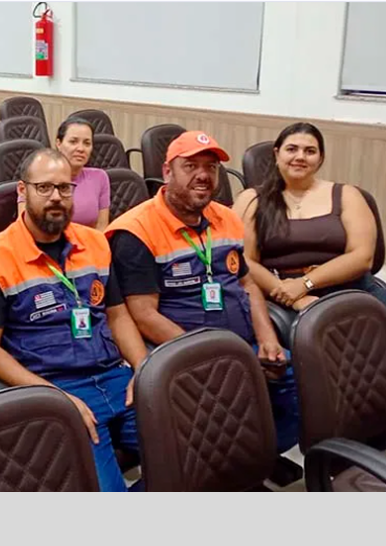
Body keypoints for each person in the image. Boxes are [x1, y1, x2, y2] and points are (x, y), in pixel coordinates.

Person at [0, 149, 148, 492]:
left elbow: (118, 315)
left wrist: (143, 369)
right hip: (59, 388)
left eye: (65, 188)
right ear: (23, 191)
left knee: (194, 459)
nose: (56, 198)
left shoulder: (95, 243)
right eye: (44, 188)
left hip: (117, 379)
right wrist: (52, 398)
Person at [105, 130, 300, 454]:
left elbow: (247, 283)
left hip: (244, 346)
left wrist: (268, 338)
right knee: (201, 432)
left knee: (303, 386)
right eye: (191, 166)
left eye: (210, 167)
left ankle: (248, 458)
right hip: (186, 352)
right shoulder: (136, 231)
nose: (203, 176)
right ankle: (223, 463)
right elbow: (142, 314)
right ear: (167, 172)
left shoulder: (225, 217)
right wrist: (213, 354)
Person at [233, 122, 386, 312]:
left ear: (320, 159)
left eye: (310, 151)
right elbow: (244, 260)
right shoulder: (251, 199)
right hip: (280, 294)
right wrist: (292, 296)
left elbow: (363, 257)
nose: (300, 157)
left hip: (353, 289)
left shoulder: (348, 195)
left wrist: (305, 283)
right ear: (276, 154)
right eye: (291, 149)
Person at [18, 118, 110, 230]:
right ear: (59, 143)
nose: (81, 148)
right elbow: (25, 227)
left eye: (87, 143)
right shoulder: (38, 177)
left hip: (88, 244)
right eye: (73, 142)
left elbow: (102, 227)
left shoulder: (100, 177)